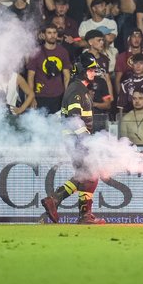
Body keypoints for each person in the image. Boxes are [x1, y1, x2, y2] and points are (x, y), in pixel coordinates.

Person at [41, 52, 106, 225]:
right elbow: (74, 118)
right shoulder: (77, 90)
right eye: (91, 69)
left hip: (75, 141)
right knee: (89, 175)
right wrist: (86, 140)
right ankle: (80, 213)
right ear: (83, 71)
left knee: (85, 176)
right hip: (77, 141)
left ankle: (55, 201)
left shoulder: (79, 88)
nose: (94, 73)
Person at [27, 24, 72, 114]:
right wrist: (31, 97)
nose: (52, 35)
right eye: (49, 33)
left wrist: (67, 97)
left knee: (59, 124)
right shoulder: (36, 53)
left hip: (59, 96)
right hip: (41, 96)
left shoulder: (63, 51)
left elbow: (67, 76)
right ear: (44, 35)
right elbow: (30, 77)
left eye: (54, 33)